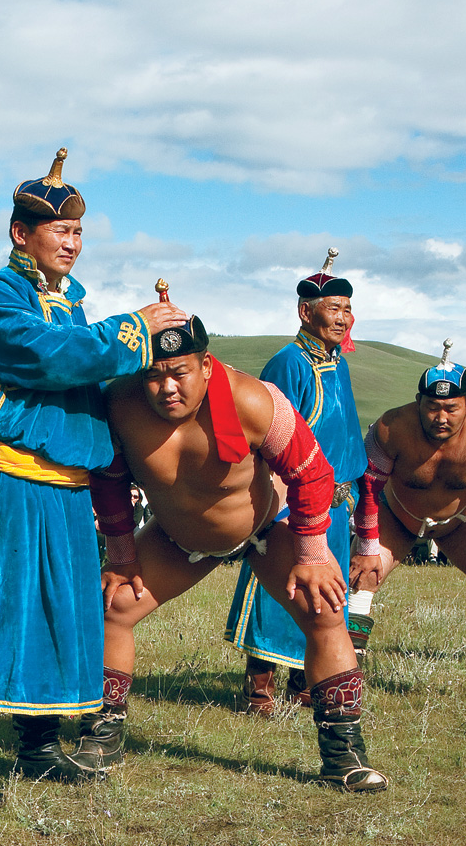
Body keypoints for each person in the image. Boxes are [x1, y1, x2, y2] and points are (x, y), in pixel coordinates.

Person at [0, 148, 187, 801]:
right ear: (21, 233)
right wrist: (132, 330)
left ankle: (38, 748)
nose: (72, 243)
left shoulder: (75, 306)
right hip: (11, 483)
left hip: (70, 488)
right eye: (60, 230)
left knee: (60, 617)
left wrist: (161, 354)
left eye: (78, 232)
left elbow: (93, 371)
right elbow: (49, 360)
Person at [69, 314, 385, 790]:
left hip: (266, 525)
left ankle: (344, 756)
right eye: (153, 375)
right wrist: (122, 558)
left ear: (207, 366)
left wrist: (313, 555)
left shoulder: (253, 399)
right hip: (179, 537)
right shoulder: (119, 404)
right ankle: (99, 739)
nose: (167, 388)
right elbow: (109, 481)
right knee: (113, 606)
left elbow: (313, 471)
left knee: (325, 612)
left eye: (180, 372)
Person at [225, 252, 369, 714]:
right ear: (306, 312)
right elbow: (268, 433)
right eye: (334, 308)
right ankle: (259, 689)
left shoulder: (339, 362)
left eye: (348, 309)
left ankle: (308, 684)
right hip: (294, 497)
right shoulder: (288, 363)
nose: (343, 318)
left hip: (337, 500)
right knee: (279, 590)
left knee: (327, 594)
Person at [346, 359, 466, 703]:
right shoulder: (391, 427)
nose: (440, 417)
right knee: (361, 580)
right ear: (418, 401)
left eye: (451, 408)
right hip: (397, 515)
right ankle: (346, 682)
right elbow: (369, 488)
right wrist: (368, 544)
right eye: (432, 407)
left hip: (458, 520)